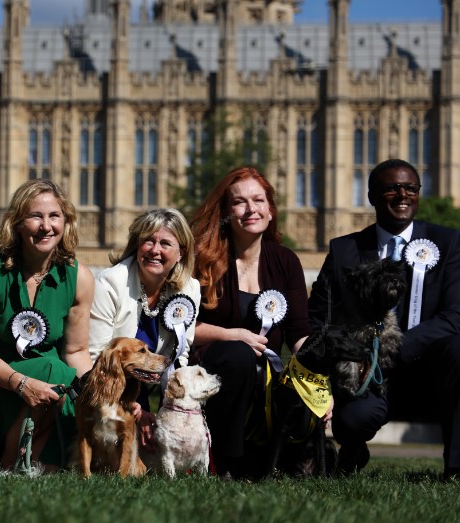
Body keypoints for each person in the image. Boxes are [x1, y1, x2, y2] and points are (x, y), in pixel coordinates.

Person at [309, 158, 460, 479]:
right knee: (352, 420)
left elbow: (455, 315)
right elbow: (318, 317)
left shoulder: (448, 244)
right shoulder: (344, 250)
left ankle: (456, 468)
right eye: (391, 188)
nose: (402, 195)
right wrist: (351, 351)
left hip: (431, 371)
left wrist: (398, 348)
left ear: (419, 194)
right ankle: (352, 449)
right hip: (368, 378)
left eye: (410, 188)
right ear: (372, 196)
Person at [0, 179, 94, 470]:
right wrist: (22, 384)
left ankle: (34, 462)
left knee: (70, 390)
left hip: (50, 391)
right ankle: (12, 462)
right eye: (36, 216)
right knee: (54, 370)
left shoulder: (80, 277)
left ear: (66, 223)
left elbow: (76, 351)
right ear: (18, 223)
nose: (46, 226)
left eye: (54, 216)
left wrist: (97, 393)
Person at [190, 165, 311, 479]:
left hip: (268, 375)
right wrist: (234, 335)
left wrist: (319, 379)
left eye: (258, 200)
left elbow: (299, 333)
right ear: (227, 211)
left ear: (270, 209)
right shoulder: (202, 259)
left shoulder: (286, 261)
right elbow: (184, 327)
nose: (250, 209)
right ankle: (226, 459)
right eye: (239, 202)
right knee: (239, 355)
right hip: (214, 367)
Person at [89, 208, 200, 449]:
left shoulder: (190, 290)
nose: (155, 250)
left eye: (165, 243)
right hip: (110, 385)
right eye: (148, 240)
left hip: (148, 384)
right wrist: (132, 407)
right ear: (137, 245)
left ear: (181, 253)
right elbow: (96, 355)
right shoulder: (111, 282)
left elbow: (180, 356)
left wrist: (169, 414)